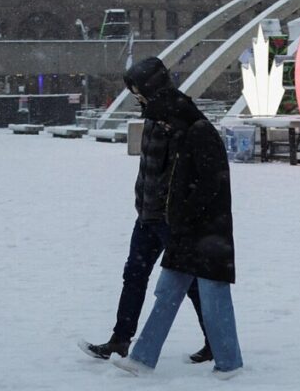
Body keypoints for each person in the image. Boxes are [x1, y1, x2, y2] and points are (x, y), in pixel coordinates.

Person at [112, 61, 243, 379]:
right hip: (184, 229)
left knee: (212, 295)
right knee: (168, 292)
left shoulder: (198, 134)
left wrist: (181, 215)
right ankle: (141, 358)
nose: (162, 127)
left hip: (205, 233)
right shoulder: (183, 131)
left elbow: (210, 185)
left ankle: (228, 361)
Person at [79, 57, 211, 363]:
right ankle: (120, 340)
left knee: (188, 283)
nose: (136, 96)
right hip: (148, 216)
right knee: (134, 276)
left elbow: (194, 164)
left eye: (138, 89)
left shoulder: (179, 114)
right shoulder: (153, 113)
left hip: (171, 219)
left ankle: (215, 339)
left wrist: (179, 208)